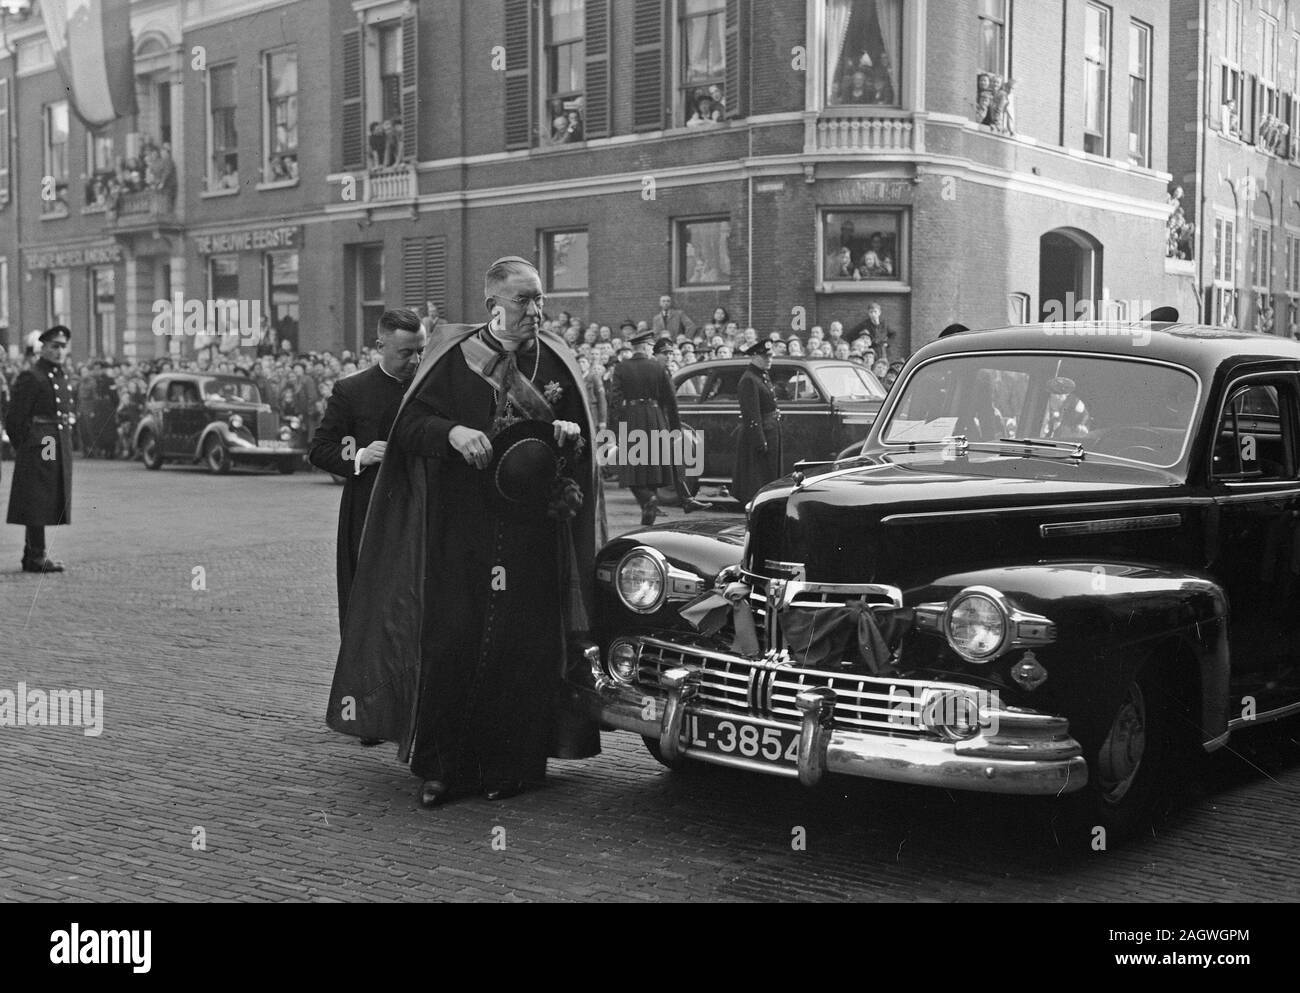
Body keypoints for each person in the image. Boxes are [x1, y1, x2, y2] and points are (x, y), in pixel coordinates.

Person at [325, 256, 604, 807]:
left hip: (529, 534)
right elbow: (407, 426)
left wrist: (569, 436)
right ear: (493, 305)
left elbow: (579, 448)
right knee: (451, 641)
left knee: (519, 652)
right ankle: (441, 769)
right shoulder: (452, 358)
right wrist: (451, 432)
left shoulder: (558, 361)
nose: (535, 310)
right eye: (524, 300)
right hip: (459, 530)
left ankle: (512, 768)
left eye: (540, 299)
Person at [310, 308, 427, 631]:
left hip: (422, 507)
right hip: (370, 509)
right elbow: (320, 449)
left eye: (421, 351)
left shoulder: (431, 388)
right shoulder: (352, 390)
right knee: (370, 607)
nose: (415, 361)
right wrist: (361, 456)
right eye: (406, 353)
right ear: (380, 347)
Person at [609, 329, 706, 524]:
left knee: (632, 466)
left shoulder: (621, 368)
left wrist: (617, 425)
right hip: (655, 417)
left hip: (632, 418)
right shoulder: (658, 367)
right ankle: (649, 510)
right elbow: (670, 400)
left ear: (634, 347)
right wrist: (675, 427)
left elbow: (614, 400)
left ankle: (648, 502)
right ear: (646, 347)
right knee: (654, 466)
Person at [5, 326, 76, 572]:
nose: (59, 351)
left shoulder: (59, 376)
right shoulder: (32, 376)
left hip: (55, 441)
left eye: (62, 347)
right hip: (42, 443)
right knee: (39, 496)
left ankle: (32, 555)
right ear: (43, 348)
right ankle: (36, 556)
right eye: (54, 347)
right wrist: (25, 445)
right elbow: (14, 418)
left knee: (45, 496)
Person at [731, 339, 781, 505]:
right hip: (759, 435)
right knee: (756, 478)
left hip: (769, 430)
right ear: (754, 357)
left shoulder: (762, 375)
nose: (769, 359)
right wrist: (760, 441)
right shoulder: (749, 379)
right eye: (765, 357)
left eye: (770, 356)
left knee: (768, 475)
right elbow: (751, 414)